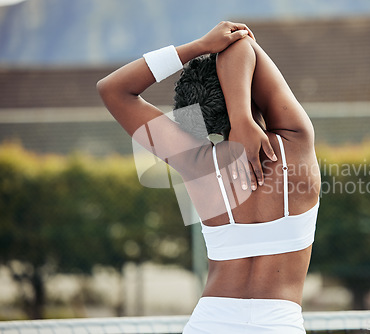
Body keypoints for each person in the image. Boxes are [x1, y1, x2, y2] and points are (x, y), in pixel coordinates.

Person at [97, 21, 320, 334]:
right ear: (248, 85)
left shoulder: (196, 164)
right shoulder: (295, 142)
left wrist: (198, 47)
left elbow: (112, 89)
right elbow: (241, 43)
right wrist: (243, 116)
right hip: (277, 325)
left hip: (209, 323)